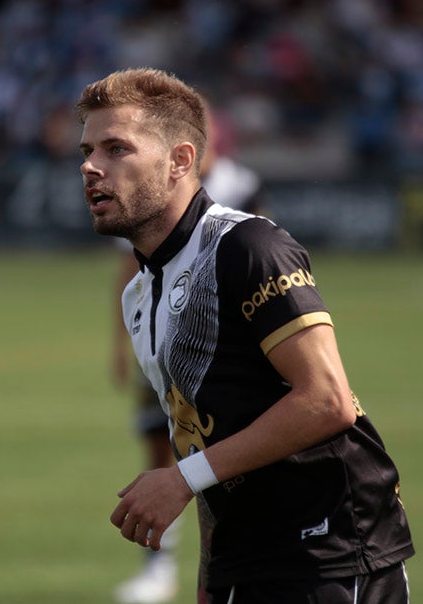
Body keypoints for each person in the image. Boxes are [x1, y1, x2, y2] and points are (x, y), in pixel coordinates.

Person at [77, 68, 414, 603]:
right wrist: (212, 578)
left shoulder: (248, 247)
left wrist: (181, 479)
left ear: (181, 161)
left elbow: (327, 401)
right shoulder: (139, 296)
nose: (91, 166)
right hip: (243, 564)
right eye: (89, 148)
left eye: (117, 148)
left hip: (328, 558)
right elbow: (200, 437)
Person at [109, 106, 264, 604]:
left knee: (223, 456)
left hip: (222, 345)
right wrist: (119, 343)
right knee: (166, 442)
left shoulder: (241, 197)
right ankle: (159, 567)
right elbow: (127, 272)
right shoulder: (142, 194)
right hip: (158, 336)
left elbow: (259, 256)